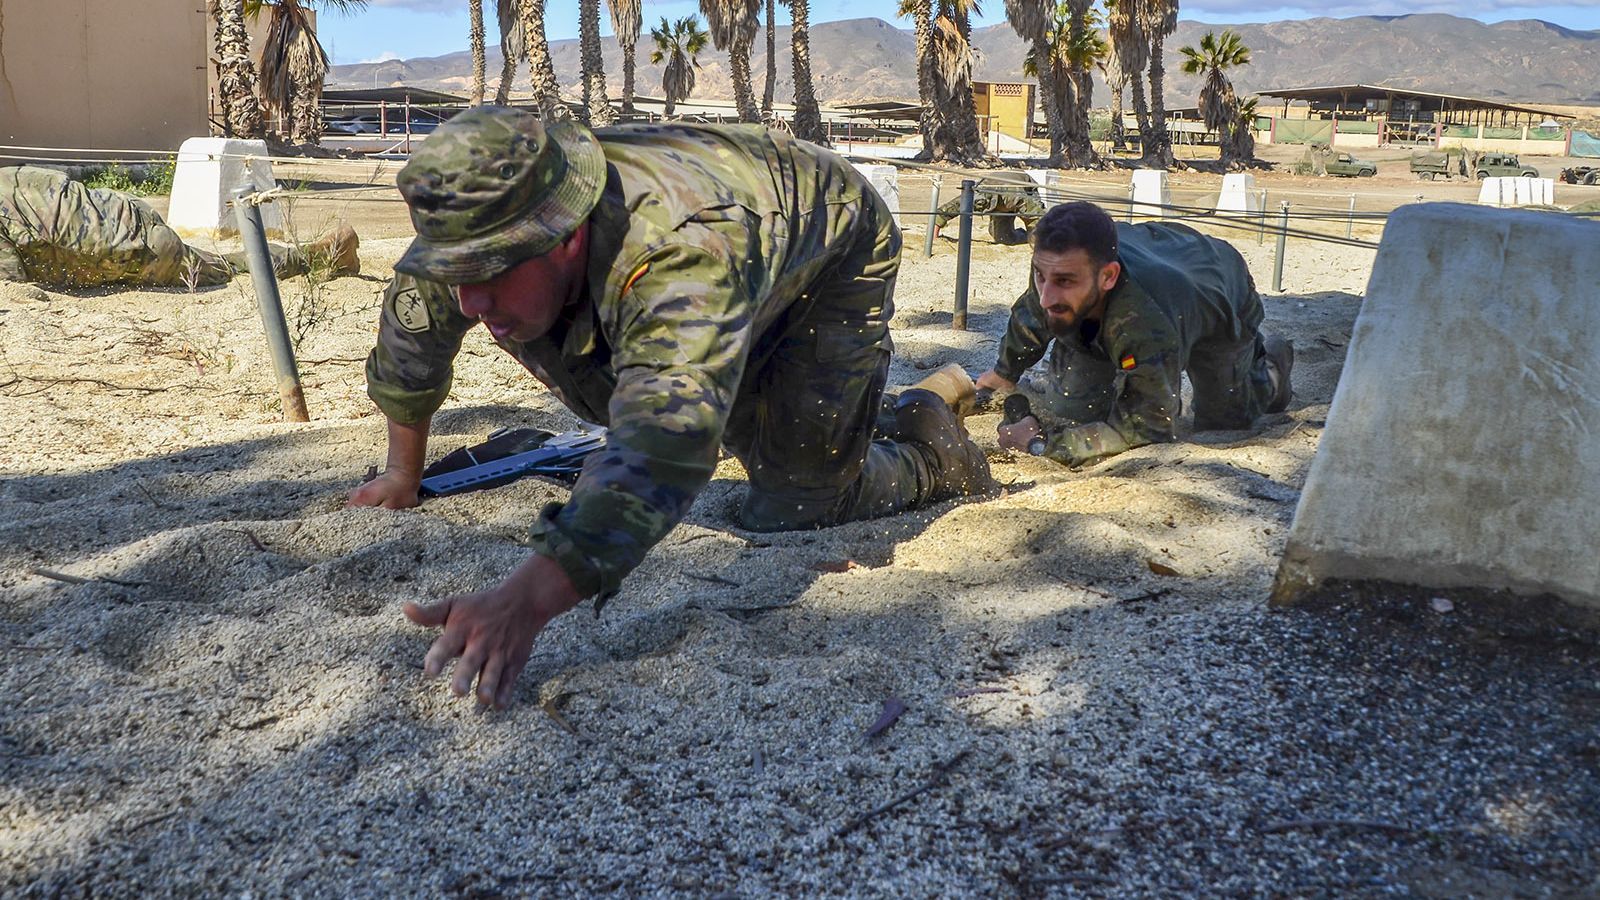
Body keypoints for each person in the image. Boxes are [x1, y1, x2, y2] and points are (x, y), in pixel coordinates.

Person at [349, 106, 993, 708]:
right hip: (734, 254)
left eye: (488, 274)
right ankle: (850, 411)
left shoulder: (678, 254)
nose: (469, 301)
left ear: (565, 239)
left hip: (828, 245)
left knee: (797, 501)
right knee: (657, 389)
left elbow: (668, 436)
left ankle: (934, 441)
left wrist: (524, 600)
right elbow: (414, 340)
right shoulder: (473, 225)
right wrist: (403, 474)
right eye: (455, 273)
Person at [977, 201, 1293, 468]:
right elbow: (1031, 312)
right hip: (1148, 265)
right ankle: (1140, 379)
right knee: (1070, 410)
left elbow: (1148, 430)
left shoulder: (1146, 326)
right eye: (1039, 275)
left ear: (1108, 276)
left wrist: (1040, 445)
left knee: (1223, 420)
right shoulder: (1057, 269)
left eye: (1063, 281)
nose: (1046, 294)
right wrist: (1004, 372)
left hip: (1218, 289)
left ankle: (1272, 371)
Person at [0, 165, 359, 288]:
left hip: (134, 252)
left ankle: (322, 255)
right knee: (220, 261)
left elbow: (12, 281)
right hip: (128, 212)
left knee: (225, 268)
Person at [933, 172, 1047, 245]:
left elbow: (1036, 215)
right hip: (998, 198)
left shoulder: (1013, 196)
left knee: (1037, 238)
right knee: (1003, 238)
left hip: (1023, 190)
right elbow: (947, 210)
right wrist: (934, 237)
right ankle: (1023, 236)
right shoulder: (974, 194)